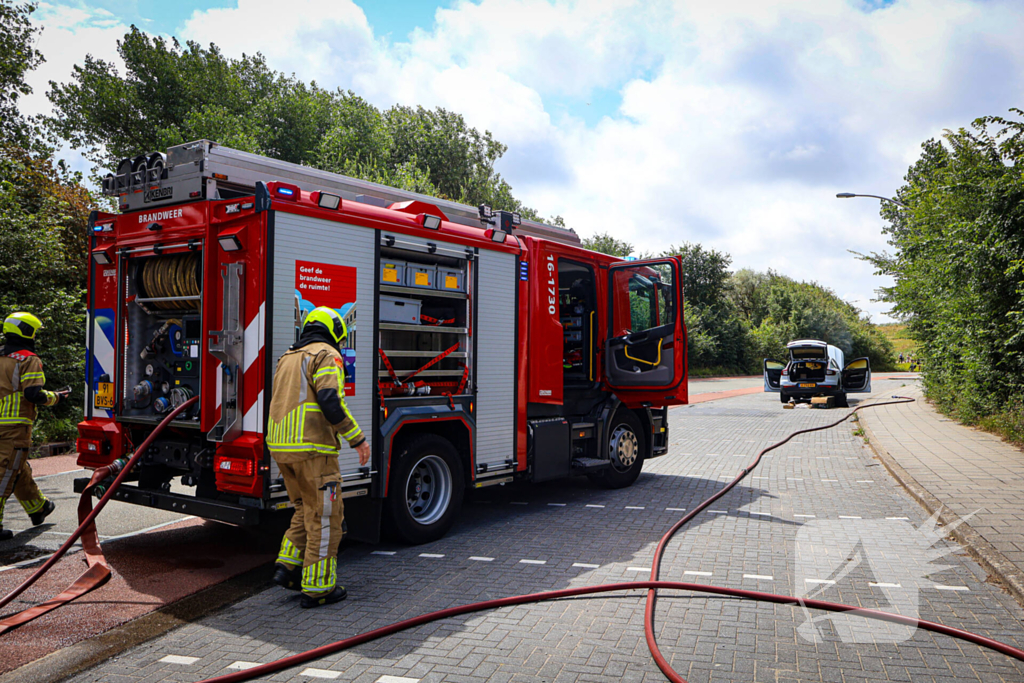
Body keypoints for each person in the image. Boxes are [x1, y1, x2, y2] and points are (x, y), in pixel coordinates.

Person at [266, 306, 370, 608]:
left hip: (282, 450)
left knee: (304, 510)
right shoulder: (326, 354)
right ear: (335, 331)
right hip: (314, 451)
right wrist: (357, 439)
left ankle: (286, 568)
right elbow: (330, 399)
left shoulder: (287, 357)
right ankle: (319, 589)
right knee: (327, 518)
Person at [0, 312, 67, 541]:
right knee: (6, 472)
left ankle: (38, 508)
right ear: (26, 332)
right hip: (15, 427)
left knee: (18, 467)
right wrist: (56, 397)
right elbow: (33, 394)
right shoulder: (28, 359)